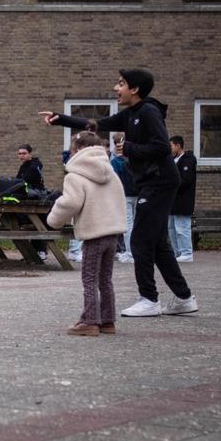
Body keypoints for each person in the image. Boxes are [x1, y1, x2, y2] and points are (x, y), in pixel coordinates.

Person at [40, 69, 198, 318]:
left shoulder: (148, 111)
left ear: (134, 89)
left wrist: (130, 147)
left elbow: (161, 146)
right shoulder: (131, 114)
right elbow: (96, 125)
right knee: (158, 244)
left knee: (140, 241)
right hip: (154, 182)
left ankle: (149, 298)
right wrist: (60, 119)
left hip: (160, 182)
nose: (116, 88)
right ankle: (184, 297)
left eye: (121, 84)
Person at [48, 132, 127, 336]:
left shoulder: (75, 175)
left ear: (78, 149)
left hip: (94, 233)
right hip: (113, 233)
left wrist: (53, 219)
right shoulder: (110, 172)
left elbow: (70, 203)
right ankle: (108, 320)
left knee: (89, 278)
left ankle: (90, 321)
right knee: (105, 279)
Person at [110, 132, 138, 264]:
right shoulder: (136, 158)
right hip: (138, 193)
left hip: (125, 195)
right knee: (137, 224)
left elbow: (114, 180)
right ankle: (135, 251)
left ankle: (130, 252)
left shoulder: (116, 161)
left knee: (128, 225)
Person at [168, 135, 197, 263]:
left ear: (178, 145)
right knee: (171, 228)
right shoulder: (173, 159)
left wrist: (169, 184)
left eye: (171, 145)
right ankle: (177, 252)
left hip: (183, 200)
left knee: (182, 227)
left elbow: (185, 180)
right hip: (171, 201)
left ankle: (186, 252)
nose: (170, 148)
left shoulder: (188, 160)